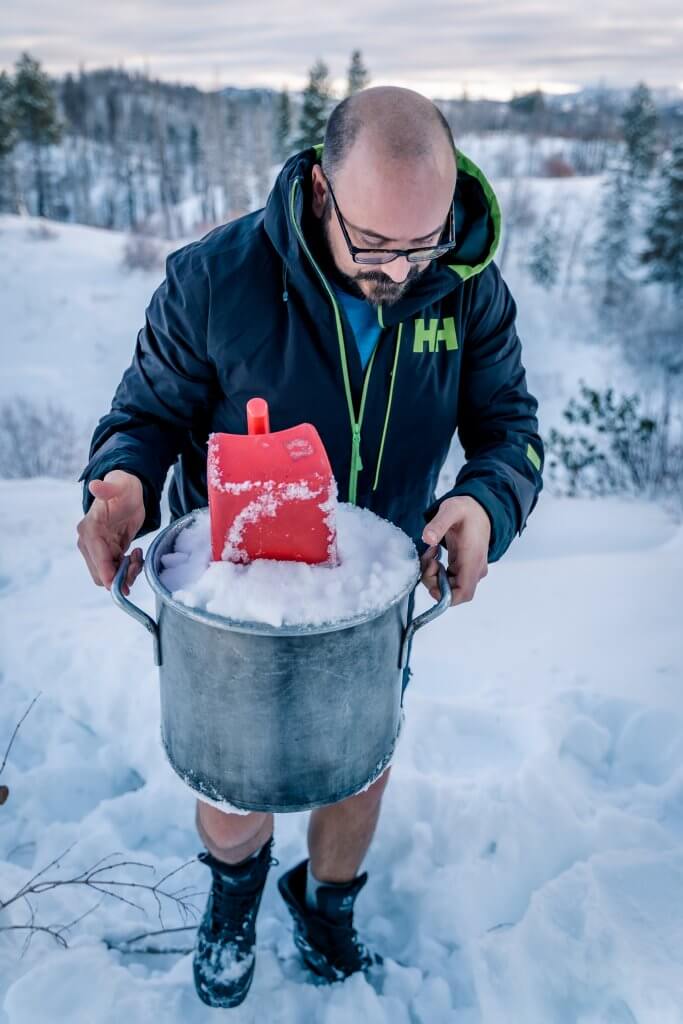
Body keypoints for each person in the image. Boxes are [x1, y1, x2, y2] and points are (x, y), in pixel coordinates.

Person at [75, 85, 543, 1007]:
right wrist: (123, 482)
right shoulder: (217, 278)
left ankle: (326, 902)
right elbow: (146, 415)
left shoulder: (466, 282)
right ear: (324, 191)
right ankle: (233, 896)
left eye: (423, 243)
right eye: (376, 246)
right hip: (233, 592)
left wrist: (486, 504)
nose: (402, 272)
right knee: (233, 777)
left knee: (359, 767)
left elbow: (510, 429)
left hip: (372, 591)